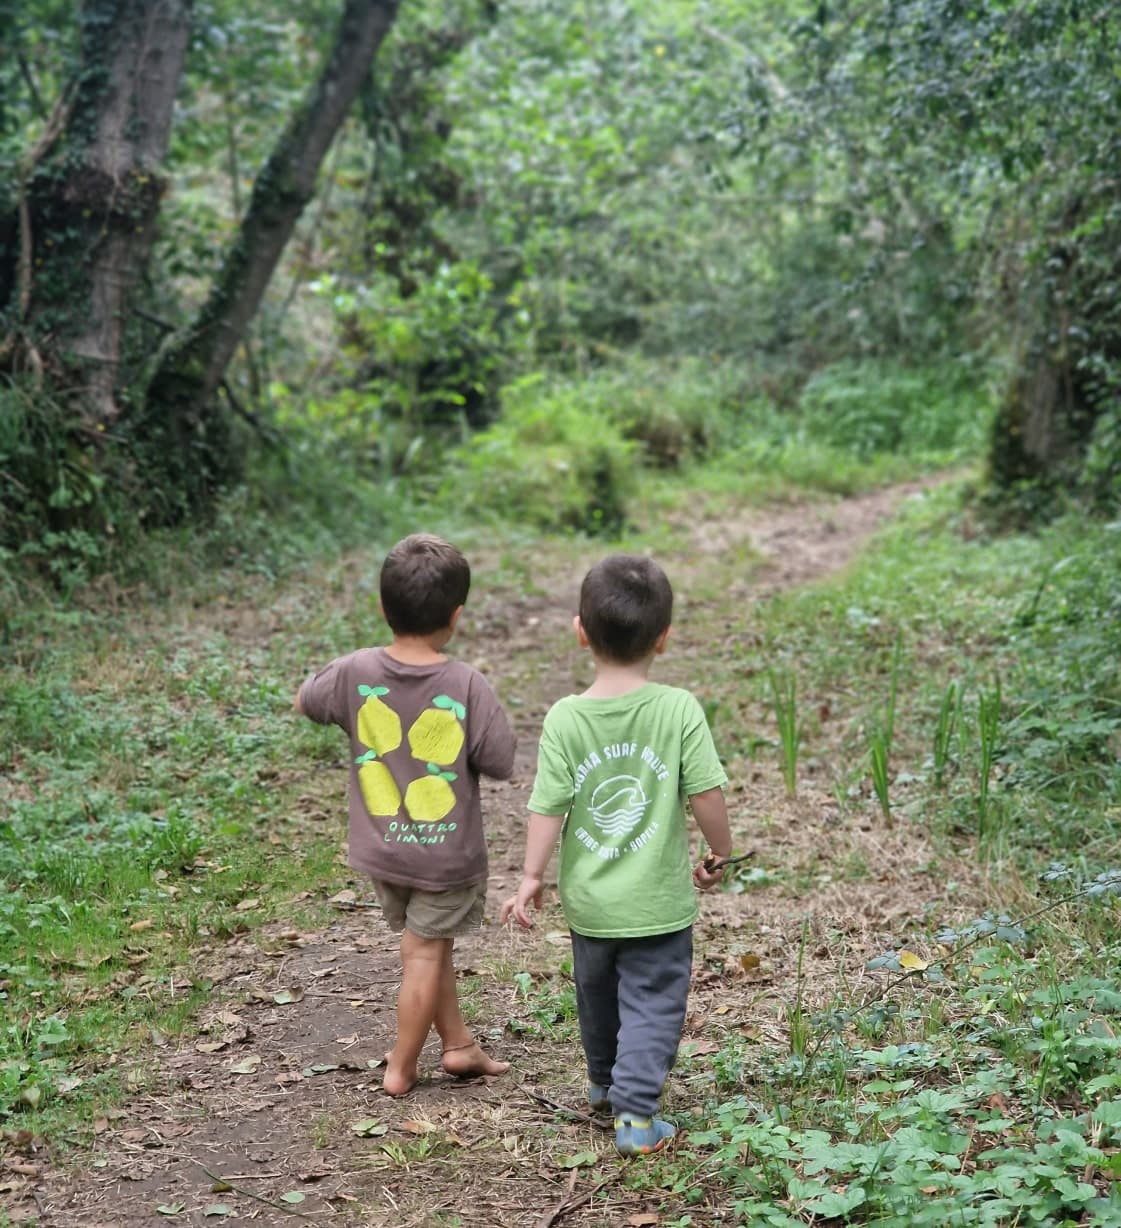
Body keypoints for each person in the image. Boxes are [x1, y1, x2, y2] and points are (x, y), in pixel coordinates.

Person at [500, 553, 733, 1156]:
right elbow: (705, 792)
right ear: (664, 637)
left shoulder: (566, 718)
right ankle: (634, 1112)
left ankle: (604, 1085)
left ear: (580, 630)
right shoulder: (677, 709)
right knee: (653, 1001)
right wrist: (721, 849)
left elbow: (546, 806)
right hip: (656, 902)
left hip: (592, 903)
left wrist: (530, 876)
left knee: (598, 997)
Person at [296, 533, 516, 1096]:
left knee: (428, 943)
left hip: (384, 853)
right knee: (423, 951)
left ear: (381, 608)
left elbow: (306, 700)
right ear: (457, 616)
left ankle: (460, 1045)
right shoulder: (465, 684)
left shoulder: (354, 670)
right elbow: (501, 759)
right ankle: (400, 1064)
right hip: (443, 856)